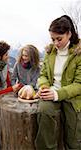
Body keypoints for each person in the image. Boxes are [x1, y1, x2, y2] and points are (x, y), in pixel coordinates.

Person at [35, 15, 81, 150]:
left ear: (69, 34)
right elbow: (43, 75)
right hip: (50, 92)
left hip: (73, 97)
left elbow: (79, 84)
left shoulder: (78, 53)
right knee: (44, 111)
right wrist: (44, 87)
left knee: (74, 136)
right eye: (53, 39)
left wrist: (57, 94)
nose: (56, 43)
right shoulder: (50, 52)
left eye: (59, 39)